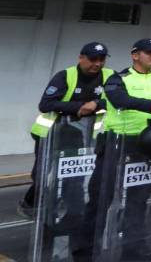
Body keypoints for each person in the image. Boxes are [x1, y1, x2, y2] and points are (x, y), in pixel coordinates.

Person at [72, 38, 151, 262]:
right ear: (135, 55)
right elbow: (119, 100)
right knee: (99, 200)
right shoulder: (118, 79)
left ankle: (133, 246)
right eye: (149, 52)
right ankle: (85, 257)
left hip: (145, 144)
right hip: (116, 143)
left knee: (139, 199)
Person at [21, 42, 112, 220]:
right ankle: (31, 203)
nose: (98, 64)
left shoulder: (109, 76)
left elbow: (117, 98)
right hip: (52, 133)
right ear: (81, 58)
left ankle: (70, 214)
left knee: (74, 176)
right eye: (93, 59)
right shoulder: (65, 76)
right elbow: (46, 104)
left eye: (101, 60)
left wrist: (96, 104)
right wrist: (78, 107)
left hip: (81, 135)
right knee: (41, 175)